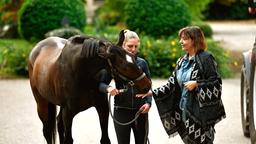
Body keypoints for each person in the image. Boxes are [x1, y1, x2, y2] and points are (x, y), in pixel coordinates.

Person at [137, 26, 226, 144]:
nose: (181, 42)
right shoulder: (181, 61)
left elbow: (216, 82)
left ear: (194, 40)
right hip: (183, 112)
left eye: (184, 39)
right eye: (181, 39)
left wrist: (197, 84)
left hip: (200, 114)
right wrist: (151, 92)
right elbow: (171, 85)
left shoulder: (206, 58)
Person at [98, 29, 152, 144]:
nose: (133, 49)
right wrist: (108, 88)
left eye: (136, 46)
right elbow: (101, 84)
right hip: (121, 111)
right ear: (123, 45)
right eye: (130, 46)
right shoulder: (114, 64)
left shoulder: (142, 63)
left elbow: (149, 86)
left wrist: (148, 103)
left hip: (140, 111)